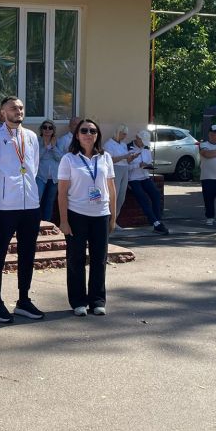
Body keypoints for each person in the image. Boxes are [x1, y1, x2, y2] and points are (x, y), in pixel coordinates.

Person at [0, 96, 44, 322]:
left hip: (30, 204)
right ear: (3, 112)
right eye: (13, 108)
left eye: (20, 107)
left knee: (28, 253)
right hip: (5, 206)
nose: (18, 111)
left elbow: (34, 167)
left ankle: (23, 299)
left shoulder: (31, 136)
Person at [57, 118, 116, 316]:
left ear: (97, 135)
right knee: (76, 259)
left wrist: (113, 217)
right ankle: (78, 301)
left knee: (99, 259)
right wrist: (63, 221)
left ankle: (97, 300)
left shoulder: (105, 157)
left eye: (92, 131)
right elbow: (62, 193)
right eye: (84, 131)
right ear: (77, 135)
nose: (88, 134)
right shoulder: (69, 159)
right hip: (77, 215)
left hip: (101, 214)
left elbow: (111, 189)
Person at [126, 130, 169, 234]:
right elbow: (125, 167)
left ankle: (157, 222)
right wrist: (138, 165)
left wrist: (148, 166)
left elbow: (149, 162)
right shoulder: (128, 148)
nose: (143, 144)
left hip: (145, 176)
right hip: (133, 179)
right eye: (142, 142)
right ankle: (156, 223)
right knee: (143, 198)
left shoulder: (146, 148)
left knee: (156, 194)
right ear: (137, 138)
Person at [103, 124, 137, 231]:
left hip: (124, 169)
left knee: (121, 197)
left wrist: (132, 157)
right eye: (123, 134)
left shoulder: (123, 145)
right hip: (115, 169)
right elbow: (110, 160)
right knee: (114, 196)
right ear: (118, 132)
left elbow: (127, 160)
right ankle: (107, 221)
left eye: (126, 134)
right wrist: (124, 156)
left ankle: (114, 220)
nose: (125, 136)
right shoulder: (109, 144)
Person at [36, 119, 62, 223]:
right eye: (45, 127)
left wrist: (53, 147)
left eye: (50, 128)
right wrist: (46, 147)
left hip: (54, 178)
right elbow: (36, 157)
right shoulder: (37, 141)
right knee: (37, 200)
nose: (47, 130)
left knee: (49, 202)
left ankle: (46, 223)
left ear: (53, 130)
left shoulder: (57, 141)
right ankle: (35, 222)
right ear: (41, 130)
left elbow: (60, 158)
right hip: (40, 176)